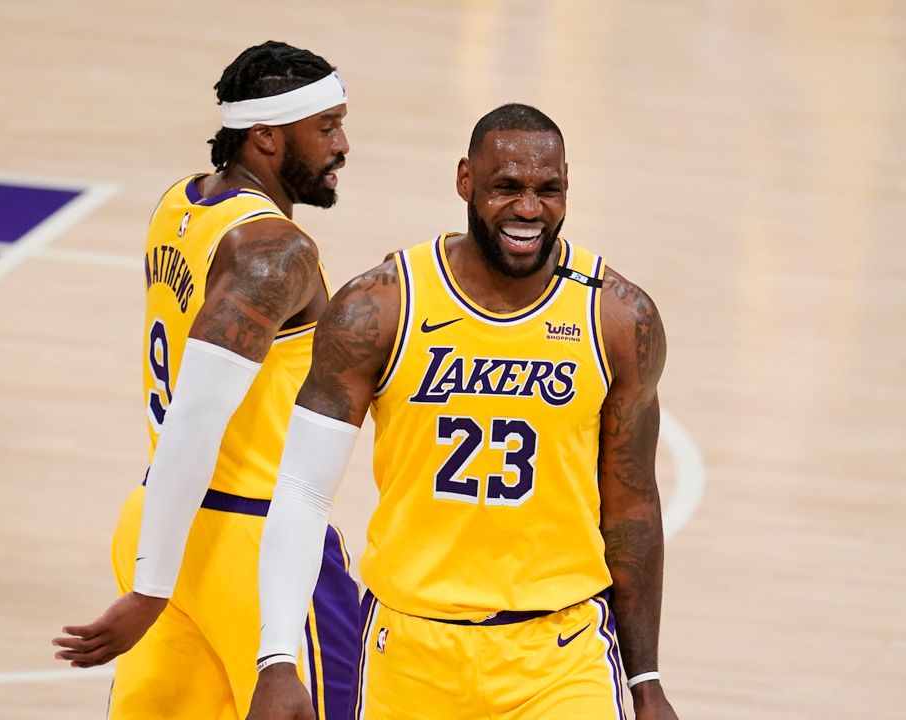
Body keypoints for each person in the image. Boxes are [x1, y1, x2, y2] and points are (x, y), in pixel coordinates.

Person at [247, 103, 678, 720]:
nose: (529, 210)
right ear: (465, 181)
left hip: (560, 655)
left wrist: (647, 679)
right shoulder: (381, 307)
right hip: (411, 650)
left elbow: (633, 503)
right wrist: (276, 659)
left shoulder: (618, 317)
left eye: (548, 189)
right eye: (507, 187)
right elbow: (302, 489)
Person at [51, 41, 361, 720]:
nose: (343, 145)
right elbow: (197, 416)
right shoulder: (273, 253)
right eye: (327, 128)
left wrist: (155, 572)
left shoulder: (181, 204)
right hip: (251, 544)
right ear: (267, 138)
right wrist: (150, 589)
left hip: (160, 517)